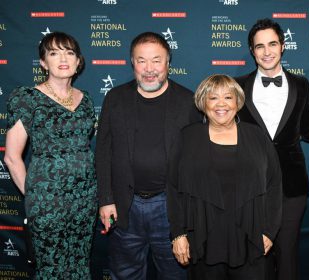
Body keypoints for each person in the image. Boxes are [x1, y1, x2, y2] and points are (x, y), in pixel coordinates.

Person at [95, 32, 200, 279]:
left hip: (169, 208)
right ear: (132, 62)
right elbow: (103, 151)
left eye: (156, 60)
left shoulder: (188, 101)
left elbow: (196, 162)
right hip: (124, 207)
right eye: (142, 60)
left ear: (168, 63)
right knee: (126, 273)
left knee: (174, 274)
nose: (149, 69)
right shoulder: (115, 98)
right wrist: (106, 199)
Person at [167, 74, 283, 280]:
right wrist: (178, 234)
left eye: (228, 97)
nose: (221, 104)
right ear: (203, 103)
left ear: (238, 102)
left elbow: (274, 185)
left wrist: (269, 231)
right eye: (213, 98)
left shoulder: (256, 136)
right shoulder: (187, 137)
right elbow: (174, 189)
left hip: (250, 238)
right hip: (203, 240)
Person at [4, 32, 97, 279]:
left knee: (79, 264)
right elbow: (12, 157)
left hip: (85, 199)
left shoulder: (85, 99)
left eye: (69, 52)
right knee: (52, 268)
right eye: (54, 53)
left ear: (79, 61)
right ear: (44, 62)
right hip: (47, 203)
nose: (63, 58)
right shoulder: (27, 98)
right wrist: (36, 196)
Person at [235, 18, 309, 280]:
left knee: (287, 253)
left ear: (282, 46)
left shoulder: (302, 84)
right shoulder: (237, 86)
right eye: (260, 46)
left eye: (272, 44)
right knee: (256, 256)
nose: (267, 51)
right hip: (250, 187)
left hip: (291, 186)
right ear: (252, 50)